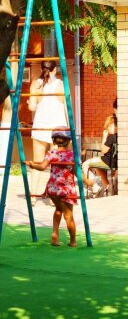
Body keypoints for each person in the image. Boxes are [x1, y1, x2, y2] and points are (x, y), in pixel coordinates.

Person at [24, 128, 78, 247]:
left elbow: (42, 167)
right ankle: (73, 241)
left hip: (52, 188)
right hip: (66, 189)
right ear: (69, 141)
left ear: (54, 140)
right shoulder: (72, 155)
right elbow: (75, 171)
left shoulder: (51, 153)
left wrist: (33, 165)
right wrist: (87, 180)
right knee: (68, 215)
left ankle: (55, 234)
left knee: (58, 209)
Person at [28, 63, 67, 196]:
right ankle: (53, 195)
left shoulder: (36, 84)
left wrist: (29, 102)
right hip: (57, 128)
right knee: (55, 163)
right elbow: (66, 105)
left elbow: (32, 107)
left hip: (40, 126)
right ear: (55, 70)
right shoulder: (61, 84)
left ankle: (33, 194)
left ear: (41, 69)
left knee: (37, 161)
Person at [82, 115, 117, 196]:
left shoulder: (111, 136)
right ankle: (106, 186)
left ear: (112, 126)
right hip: (115, 161)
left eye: (108, 127)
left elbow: (103, 150)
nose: (107, 129)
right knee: (98, 167)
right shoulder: (119, 136)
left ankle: (94, 186)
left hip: (108, 161)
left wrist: (104, 137)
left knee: (85, 164)